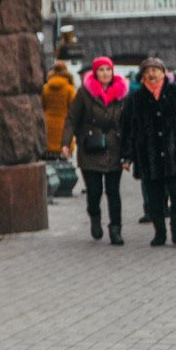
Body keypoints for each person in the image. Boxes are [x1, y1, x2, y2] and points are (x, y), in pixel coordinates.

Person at [121, 57, 176, 246]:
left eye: (155, 70)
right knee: (154, 199)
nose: (152, 74)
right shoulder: (136, 98)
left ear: (164, 73)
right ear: (142, 77)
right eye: (147, 71)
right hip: (149, 156)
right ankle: (160, 233)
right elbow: (127, 128)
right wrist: (127, 155)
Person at [61, 56, 128, 245]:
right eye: (101, 70)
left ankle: (116, 229)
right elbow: (72, 119)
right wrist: (66, 143)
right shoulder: (84, 93)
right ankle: (95, 217)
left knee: (113, 192)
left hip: (114, 148)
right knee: (94, 192)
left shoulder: (122, 93)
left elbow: (128, 121)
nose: (105, 73)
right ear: (95, 73)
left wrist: (129, 148)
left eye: (108, 69)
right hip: (90, 148)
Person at [42, 60, 76, 157]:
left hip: (48, 127)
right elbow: (73, 109)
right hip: (64, 127)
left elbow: (42, 106)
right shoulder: (69, 89)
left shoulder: (45, 88)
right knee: (65, 161)